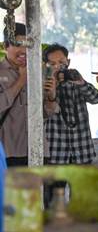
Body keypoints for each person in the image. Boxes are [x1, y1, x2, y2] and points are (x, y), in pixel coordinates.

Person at [0, 23, 57, 166]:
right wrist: (21, 80)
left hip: (37, 150)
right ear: (5, 46)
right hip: (8, 152)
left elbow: (45, 114)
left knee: (38, 189)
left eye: (28, 45)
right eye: (18, 45)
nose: (24, 51)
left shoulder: (39, 73)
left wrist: (51, 97)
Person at [43, 43, 98, 164]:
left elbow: (96, 99)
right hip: (56, 152)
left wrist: (81, 83)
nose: (58, 67)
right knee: (55, 184)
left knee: (83, 184)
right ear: (45, 65)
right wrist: (51, 91)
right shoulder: (42, 85)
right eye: (52, 64)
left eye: (61, 62)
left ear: (68, 62)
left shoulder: (75, 82)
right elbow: (41, 114)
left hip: (82, 150)